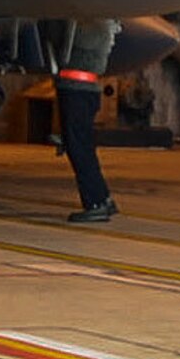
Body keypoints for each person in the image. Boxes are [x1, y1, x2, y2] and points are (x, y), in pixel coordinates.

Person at [56, 18, 118, 223]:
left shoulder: (94, 24)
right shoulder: (100, 22)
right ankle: (102, 198)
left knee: (80, 148)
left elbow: (71, 41)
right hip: (77, 90)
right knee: (81, 146)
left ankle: (96, 202)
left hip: (78, 91)